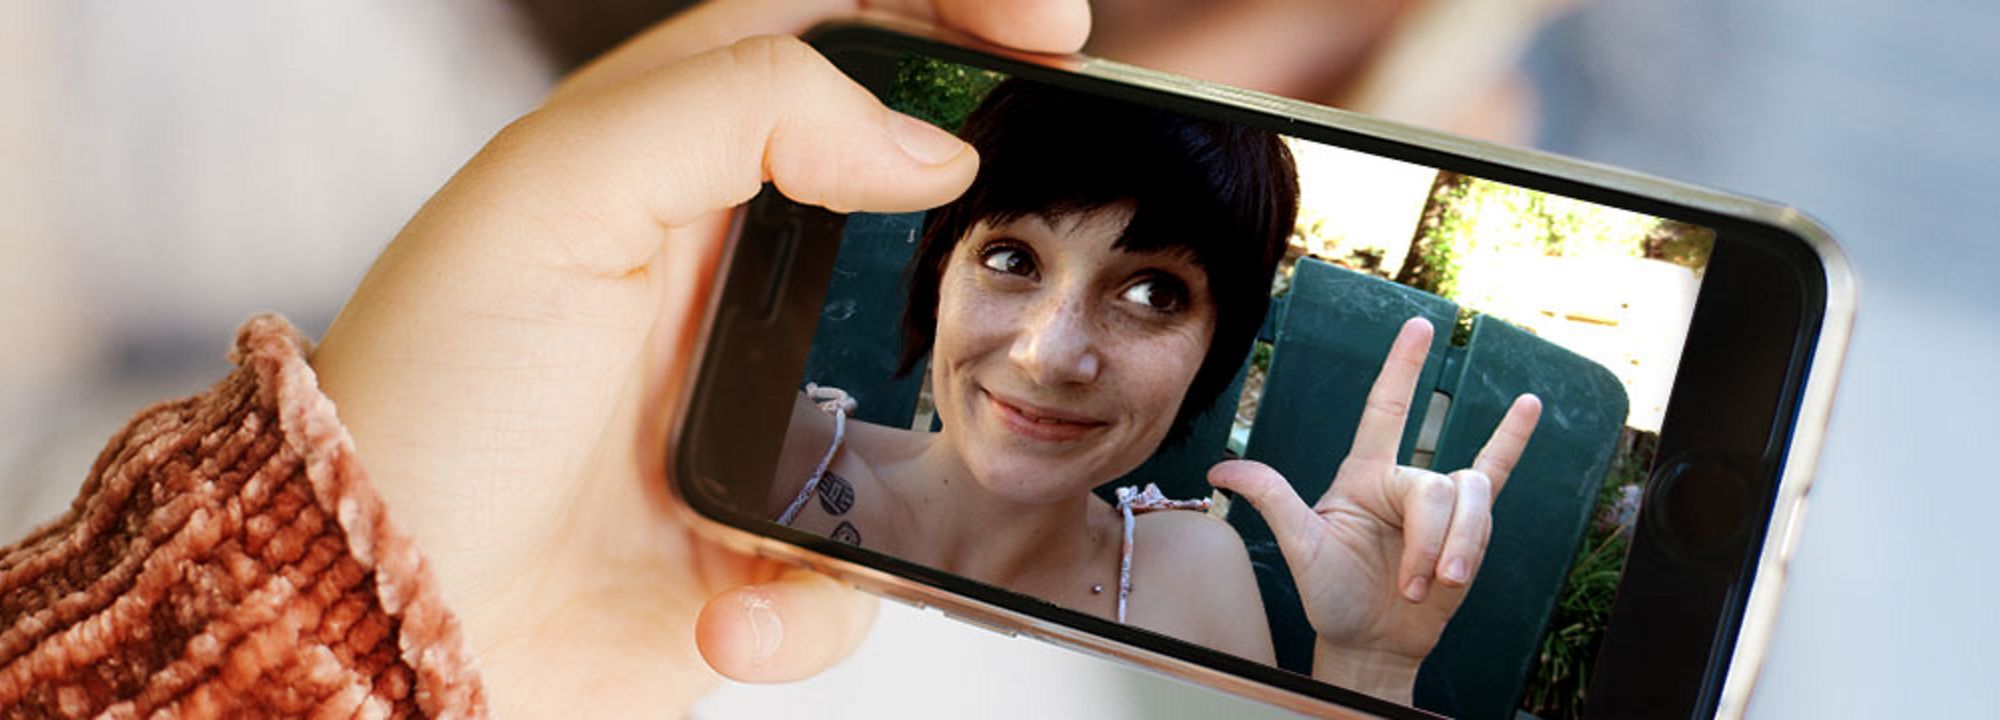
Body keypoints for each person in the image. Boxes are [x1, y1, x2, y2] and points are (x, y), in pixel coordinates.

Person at [770, 77, 1543, 701]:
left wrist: (1367, 667)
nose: (1049, 357)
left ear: (1214, 348)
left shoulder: (1195, 579)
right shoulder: (766, 454)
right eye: (1011, 260)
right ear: (942, 272)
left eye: (1152, 294)